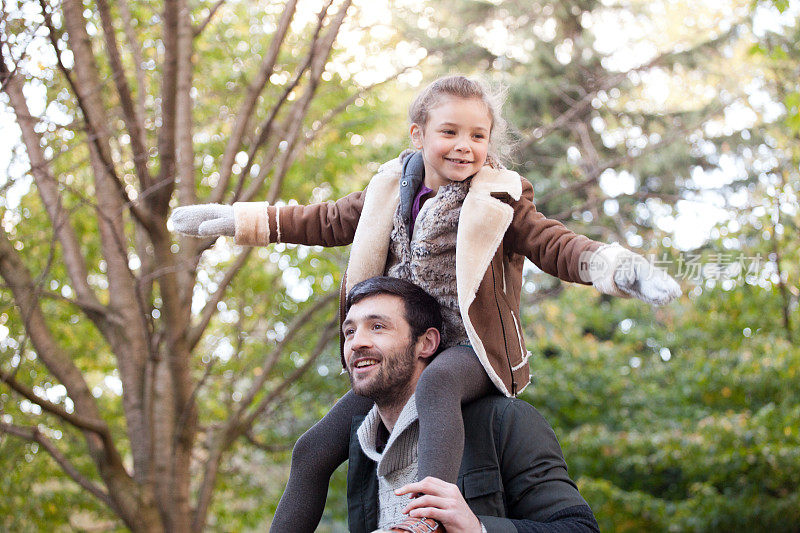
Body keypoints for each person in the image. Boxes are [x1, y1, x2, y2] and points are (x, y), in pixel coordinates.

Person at [171, 75, 680, 532]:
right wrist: (240, 221)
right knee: (313, 447)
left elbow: (554, 244)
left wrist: (615, 267)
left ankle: (426, 521)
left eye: (478, 136)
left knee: (438, 383)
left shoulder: (499, 197)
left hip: (469, 349)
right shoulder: (388, 189)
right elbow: (323, 220)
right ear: (418, 134)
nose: (465, 147)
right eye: (450, 132)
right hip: (405, 345)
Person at [342, 276, 600, 532]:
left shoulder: (502, 422)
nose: (356, 343)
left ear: (426, 343)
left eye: (378, 327)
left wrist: (477, 528)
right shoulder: (363, 455)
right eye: (350, 331)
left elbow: (581, 529)